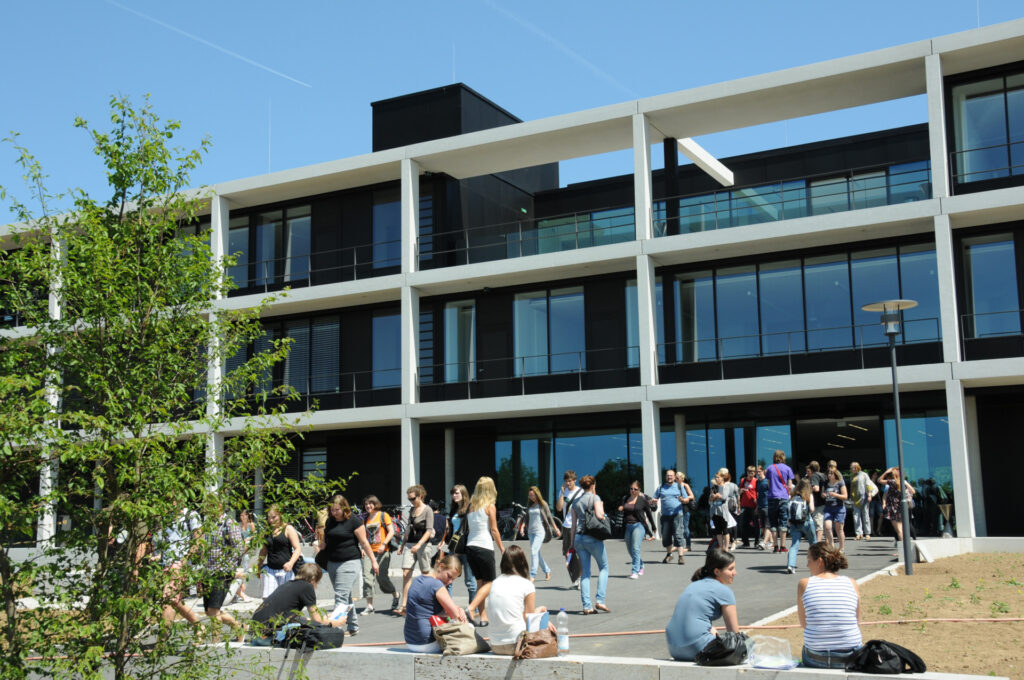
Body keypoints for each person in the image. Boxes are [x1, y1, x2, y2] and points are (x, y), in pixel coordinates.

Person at [320, 494, 379, 637]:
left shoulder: (354, 521)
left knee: (340, 596)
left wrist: (373, 560)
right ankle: (353, 626)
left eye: (337, 510)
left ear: (344, 508)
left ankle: (335, 630)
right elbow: (326, 539)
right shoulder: (330, 521)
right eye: (332, 510)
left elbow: (364, 543)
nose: (334, 513)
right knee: (345, 596)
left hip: (350, 562)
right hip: (333, 562)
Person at [665, 549, 739, 661]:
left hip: (673, 647)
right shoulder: (725, 591)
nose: (735, 572)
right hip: (697, 647)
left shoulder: (693, 585)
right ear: (717, 571)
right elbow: (734, 634)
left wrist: (711, 630)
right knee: (744, 647)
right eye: (731, 569)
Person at [798, 542, 862, 668]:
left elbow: (803, 623)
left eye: (809, 561)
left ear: (820, 562)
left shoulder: (804, 584)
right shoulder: (852, 583)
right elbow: (856, 620)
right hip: (850, 656)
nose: (807, 565)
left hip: (816, 656)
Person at [249, 563, 342, 645]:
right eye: (318, 582)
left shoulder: (287, 585)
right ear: (313, 579)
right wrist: (334, 623)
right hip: (268, 637)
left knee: (304, 622)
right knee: (312, 632)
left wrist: (325, 617)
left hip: (255, 636)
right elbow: (316, 619)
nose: (316, 586)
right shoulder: (307, 586)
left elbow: (290, 616)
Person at [486, 545, 553, 655]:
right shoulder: (527, 585)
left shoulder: (495, 583)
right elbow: (529, 618)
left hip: (495, 645)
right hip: (516, 644)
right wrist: (541, 610)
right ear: (522, 563)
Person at [404, 555, 469, 653]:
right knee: (468, 628)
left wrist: (457, 608)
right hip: (427, 643)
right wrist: (459, 611)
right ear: (441, 567)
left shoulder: (417, 580)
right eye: (449, 576)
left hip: (410, 642)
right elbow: (455, 615)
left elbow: (429, 610)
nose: (450, 581)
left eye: (453, 579)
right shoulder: (437, 585)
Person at [463, 476, 505, 627]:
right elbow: (494, 530)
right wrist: (502, 548)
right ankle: (471, 608)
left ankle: (483, 617)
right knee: (491, 582)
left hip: (470, 547)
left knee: (480, 583)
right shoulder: (490, 506)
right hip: (484, 546)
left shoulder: (471, 506)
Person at [199, 502, 246, 634]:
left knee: (214, 609)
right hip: (208, 570)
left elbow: (238, 547)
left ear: (219, 505)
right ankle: (239, 627)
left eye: (210, 505)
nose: (207, 509)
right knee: (209, 610)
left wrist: (227, 567)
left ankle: (216, 641)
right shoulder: (209, 524)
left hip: (222, 571)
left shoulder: (229, 523)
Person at [153, 503, 202, 625]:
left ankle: (163, 639)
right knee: (171, 600)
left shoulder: (190, 516)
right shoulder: (166, 518)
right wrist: (158, 557)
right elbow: (169, 544)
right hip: (165, 563)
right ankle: (198, 625)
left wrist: (186, 558)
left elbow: (199, 541)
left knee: (168, 597)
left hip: (180, 563)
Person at [570, 475, 610, 615]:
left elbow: (573, 525)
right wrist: (603, 509)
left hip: (579, 538)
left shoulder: (575, 502)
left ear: (582, 486)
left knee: (585, 573)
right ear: (593, 485)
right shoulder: (595, 498)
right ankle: (600, 600)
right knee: (604, 567)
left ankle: (587, 606)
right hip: (592, 537)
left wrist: (571, 544)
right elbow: (600, 515)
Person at [395, 485, 436, 616]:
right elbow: (408, 528)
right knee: (406, 572)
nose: (411, 501)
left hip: (423, 544)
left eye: (412, 498)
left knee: (426, 573)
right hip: (410, 544)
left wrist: (419, 544)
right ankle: (404, 605)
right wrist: (402, 545)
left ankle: (429, 602)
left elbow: (429, 530)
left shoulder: (428, 510)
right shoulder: (412, 509)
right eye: (409, 499)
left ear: (420, 496)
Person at [256, 505, 302, 599]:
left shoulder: (288, 529)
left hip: (285, 570)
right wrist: (258, 566)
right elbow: (264, 550)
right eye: (269, 518)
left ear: (280, 515)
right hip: (270, 569)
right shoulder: (267, 531)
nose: (271, 520)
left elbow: (297, 548)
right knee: (267, 599)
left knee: (286, 599)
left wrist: (291, 563)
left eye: (274, 517)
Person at [360, 495, 395, 614]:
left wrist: (384, 544)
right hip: (369, 551)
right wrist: (363, 548)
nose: (368, 506)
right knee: (367, 578)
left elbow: (391, 531)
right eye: (366, 504)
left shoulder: (383, 515)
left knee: (382, 578)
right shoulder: (365, 518)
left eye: (370, 503)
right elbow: (364, 536)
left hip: (382, 551)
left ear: (375, 504)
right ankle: (370, 606)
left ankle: (395, 594)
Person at [444, 484, 477, 604]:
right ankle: (449, 606)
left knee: (470, 581)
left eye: (457, 493)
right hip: (454, 548)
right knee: (448, 578)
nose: (454, 495)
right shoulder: (454, 509)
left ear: (463, 494)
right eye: (453, 493)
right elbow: (451, 529)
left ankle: (473, 607)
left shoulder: (470, 508)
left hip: (466, 548)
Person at [652, 468, 691, 564]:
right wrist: (653, 501)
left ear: (674, 477)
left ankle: (681, 557)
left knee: (678, 535)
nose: (669, 477)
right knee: (665, 537)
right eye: (668, 475)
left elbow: (687, 500)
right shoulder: (661, 487)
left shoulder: (679, 487)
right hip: (665, 516)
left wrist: (682, 500)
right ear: (665, 476)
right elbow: (654, 498)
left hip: (677, 515)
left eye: (671, 475)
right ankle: (669, 554)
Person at [618, 480, 655, 579]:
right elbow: (623, 508)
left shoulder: (642, 500)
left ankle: (635, 571)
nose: (633, 491)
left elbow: (649, 514)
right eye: (631, 489)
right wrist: (621, 507)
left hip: (639, 525)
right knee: (630, 550)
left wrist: (653, 527)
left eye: (635, 489)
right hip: (628, 526)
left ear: (639, 490)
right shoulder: (625, 498)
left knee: (635, 547)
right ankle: (641, 564)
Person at [522, 486, 560, 582]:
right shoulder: (529, 504)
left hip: (540, 531)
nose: (531, 497)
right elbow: (526, 516)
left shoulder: (543, 504)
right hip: (531, 532)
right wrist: (522, 527)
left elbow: (549, 517)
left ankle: (532, 575)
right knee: (537, 554)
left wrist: (556, 528)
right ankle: (547, 570)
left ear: (537, 494)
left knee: (534, 551)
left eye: (533, 495)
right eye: (530, 495)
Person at [879, 467, 916, 558]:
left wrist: (886, 472)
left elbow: (879, 480)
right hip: (901, 507)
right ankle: (905, 548)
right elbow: (913, 491)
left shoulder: (891, 482)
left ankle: (903, 550)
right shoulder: (903, 482)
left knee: (899, 530)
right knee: (902, 529)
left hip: (893, 508)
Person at [555, 470, 584, 585]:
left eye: (570, 481)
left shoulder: (580, 492)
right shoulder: (563, 492)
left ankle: (580, 577)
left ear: (575, 480)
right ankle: (575, 576)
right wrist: (562, 494)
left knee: (578, 552)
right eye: (566, 481)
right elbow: (559, 508)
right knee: (567, 553)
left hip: (577, 526)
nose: (568, 483)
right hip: (566, 526)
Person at [765, 450, 795, 553]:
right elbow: (790, 485)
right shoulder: (788, 469)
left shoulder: (769, 468)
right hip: (783, 497)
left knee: (773, 522)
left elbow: (768, 485)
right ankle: (783, 546)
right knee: (783, 522)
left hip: (772, 497)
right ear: (783, 457)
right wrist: (788, 494)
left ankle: (775, 546)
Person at [786, 479, 816, 574]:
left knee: (794, 545)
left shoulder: (793, 496)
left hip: (794, 523)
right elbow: (811, 509)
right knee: (813, 543)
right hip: (807, 522)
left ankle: (791, 565)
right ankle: (816, 563)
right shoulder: (808, 496)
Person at [822, 462, 848, 553]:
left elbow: (845, 496)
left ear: (835, 474)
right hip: (828, 508)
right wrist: (824, 495)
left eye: (831, 473)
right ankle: (832, 546)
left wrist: (835, 495)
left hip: (839, 508)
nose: (829, 475)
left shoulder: (840, 483)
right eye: (828, 473)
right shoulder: (826, 484)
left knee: (839, 529)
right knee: (827, 526)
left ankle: (841, 547)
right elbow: (822, 494)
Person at [708, 472, 737, 553]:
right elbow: (710, 499)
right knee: (718, 530)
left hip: (723, 511)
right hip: (715, 510)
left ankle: (726, 547)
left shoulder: (725, 487)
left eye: (718, 477)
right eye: (715, 477)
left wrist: (716, 496)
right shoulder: (714, 487)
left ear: (722, 478)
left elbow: (724, 497)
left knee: (725, 530)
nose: (716, 479)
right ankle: (720, 547)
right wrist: (715, 496)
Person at [233, 509, 255, 603]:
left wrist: (247, 539)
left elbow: (254, 535)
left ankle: (243, 577)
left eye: (243, 515)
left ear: (247, 516)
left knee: (245, 559)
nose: (242, 517)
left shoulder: (251, 524)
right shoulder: (239, 525)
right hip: (242, 545)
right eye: (241, 516)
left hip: (249, 545)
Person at [848, 462, 874, 540]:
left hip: (864, 498)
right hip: (855, 498)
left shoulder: (863, 474)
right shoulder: (852, 476)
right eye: (851, 468)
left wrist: (869, 495)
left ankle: (867, 533)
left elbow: (868, 484)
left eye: (853, 467)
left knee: (865, 515)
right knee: (856, 516)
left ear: (857, 467)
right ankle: (858, 533)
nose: (851, 469)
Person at [737, 466, 759, 548]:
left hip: (753, 506)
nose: (751, 474)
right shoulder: (743, 480)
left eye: (752, 473)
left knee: (756, 524)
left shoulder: (756, 481)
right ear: (747, 472)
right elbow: (738, 493)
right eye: (749, 472)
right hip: (744, 505)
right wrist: (741, 491)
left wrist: (757, 503)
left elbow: (758, 493)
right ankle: (745, 542)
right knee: (742, 524)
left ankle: (757, 542)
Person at [807, 461, 828, 543]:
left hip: (818, 503)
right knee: (824, 524)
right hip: (825, 502)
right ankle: (827, 542)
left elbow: (816, 488)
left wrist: (807, 489)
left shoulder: (815, 475)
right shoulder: (823, 475)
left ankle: (818, 543)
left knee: (818, 524)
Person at [756, 466, 772, 550]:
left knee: (767, 526)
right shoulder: (758, 482)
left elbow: (771, 492)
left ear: (763, 471)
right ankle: (771, 541)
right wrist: (757, 506)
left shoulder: (767, 481)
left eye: (759, 471)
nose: (758, 473)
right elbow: (758, 494)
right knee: (762, 526)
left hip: (767, 505)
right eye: (757, 472)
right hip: (760, 506)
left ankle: (764, 542)